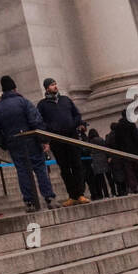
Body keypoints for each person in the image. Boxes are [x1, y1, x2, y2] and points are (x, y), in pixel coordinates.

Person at [0, 75, 57, 212]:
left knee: (22, 171)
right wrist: (43, 140)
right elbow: (35, 121)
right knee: (39, 168)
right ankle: (49, 197)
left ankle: (29, 201)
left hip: (14, 142)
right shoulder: (24, 102)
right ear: (15, 88)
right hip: (30, 139)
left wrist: (5, 144)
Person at [37, 78, 90, 206]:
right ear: (46, 88)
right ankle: (72, 195)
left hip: (71, 137)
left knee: (77, 165)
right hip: (57, 140)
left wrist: (74, 124)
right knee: (65, 169)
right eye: (52, 85)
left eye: (55, 84)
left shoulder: (66, 100)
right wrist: (49, 133)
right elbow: (40, 122)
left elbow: (77, 115)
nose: (55, 86)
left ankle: (80, 194)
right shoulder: (42, 105)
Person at [84, 128, 110, 199]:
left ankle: (101, 194)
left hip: (95, 162)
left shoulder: (89, 142)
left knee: (100, 180)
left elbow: (88, 151)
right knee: (108, 178)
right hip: (103, 159)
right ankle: (108, 193)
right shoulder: (101, 139)